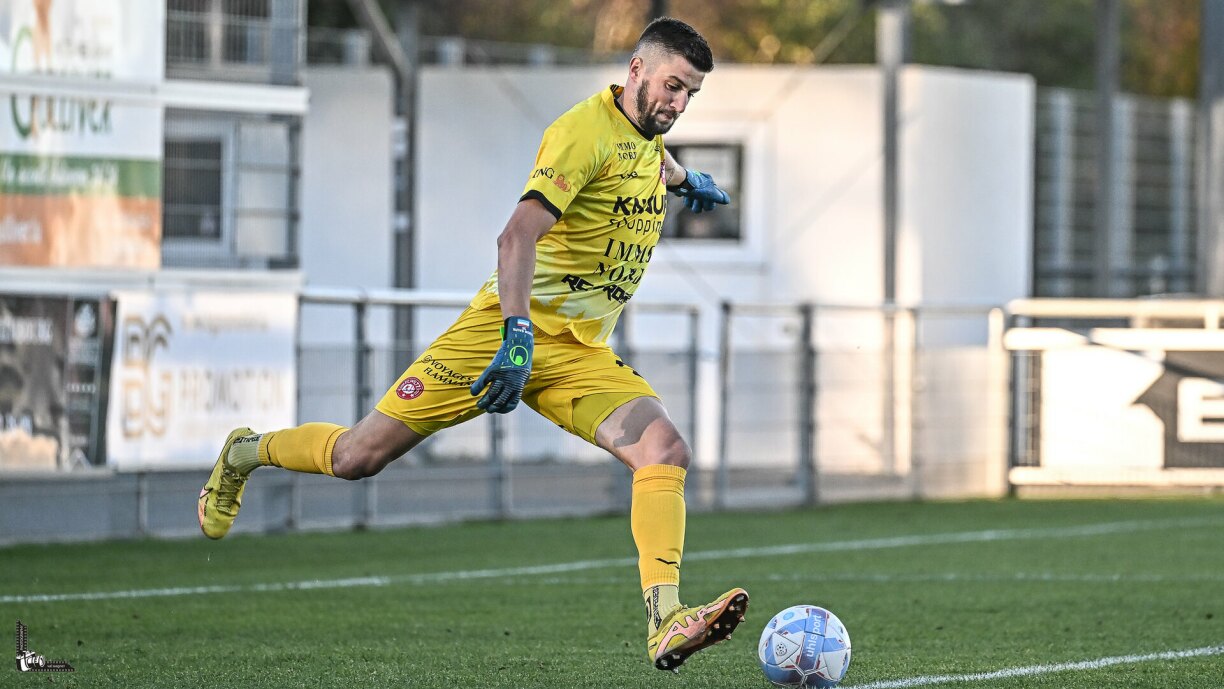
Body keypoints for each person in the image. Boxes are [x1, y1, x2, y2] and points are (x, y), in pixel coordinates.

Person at [197, 16, 745, 674]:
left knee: (665, 449)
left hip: (578, 354)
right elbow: (516, 238)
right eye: (672, 87)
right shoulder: (581, 134)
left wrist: (688, 182)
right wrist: (516, 334)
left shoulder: (646, 142)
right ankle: (244, 451)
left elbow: (651, 162)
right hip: (498, 333)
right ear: (635, 71)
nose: (678, 104)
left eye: (690, 94)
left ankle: (665, 617)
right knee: (356, 457)